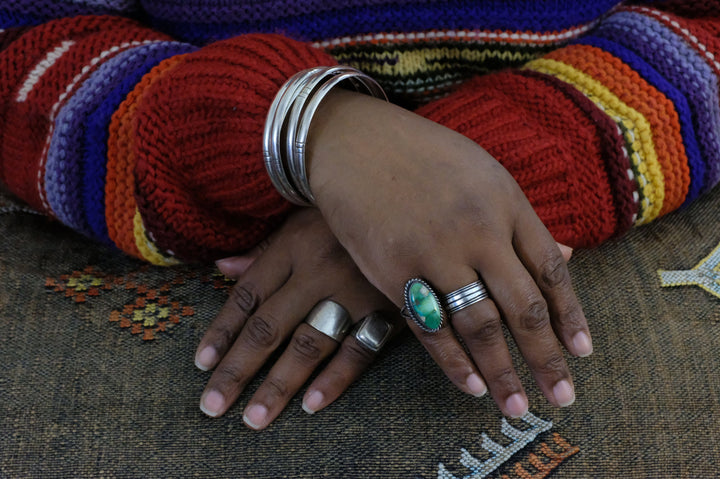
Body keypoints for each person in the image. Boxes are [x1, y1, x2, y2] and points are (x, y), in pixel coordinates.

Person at [0, 0, 717, 430]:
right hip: (153, 243)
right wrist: (309, 129)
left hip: (591, 230)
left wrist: (455, 188)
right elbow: (20, 52)